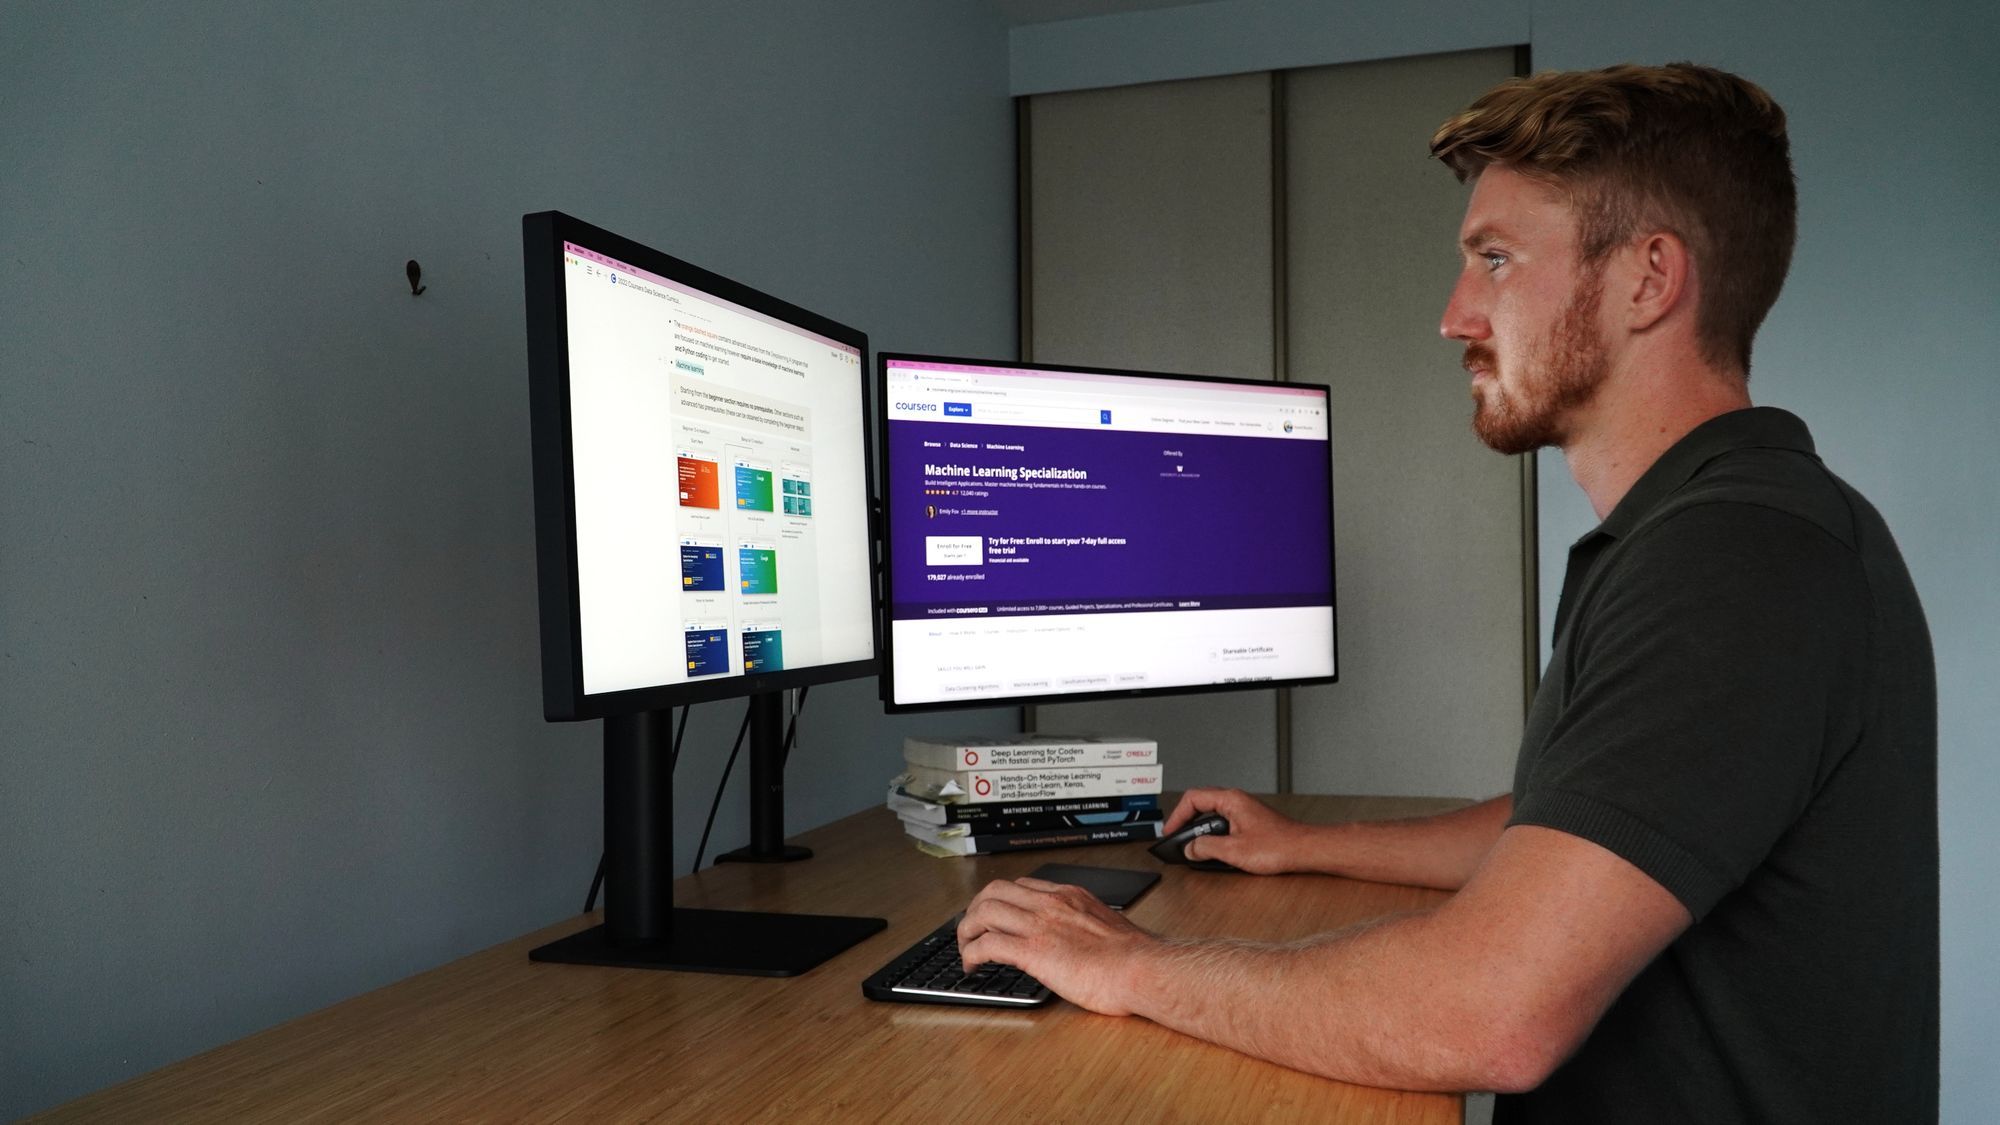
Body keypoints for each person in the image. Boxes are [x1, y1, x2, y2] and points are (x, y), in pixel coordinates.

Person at [956, 62, 1936, 1122]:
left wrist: (1127, 966)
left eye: (1496, 260)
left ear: (1648, 280)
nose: (1454, 315)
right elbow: (1586, 828)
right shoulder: (1713, 527)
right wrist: (1302, 844)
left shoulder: (1735, 558)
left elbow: (1489, 1013)